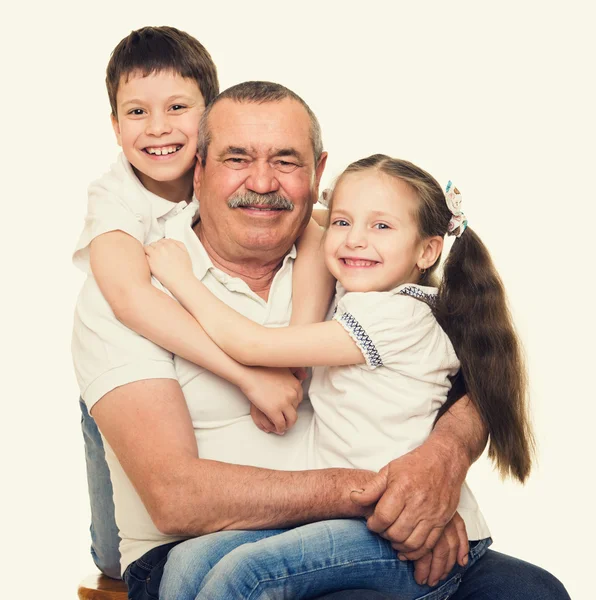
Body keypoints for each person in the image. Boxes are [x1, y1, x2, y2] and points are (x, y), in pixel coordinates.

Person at [74, 75, 570, 600]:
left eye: (286, 162)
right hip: (204, 541)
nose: (262, 183)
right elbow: (176, 498)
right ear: (198, 170)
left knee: (532, 591)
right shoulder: (135, 283)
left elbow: (474, 369)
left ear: (318, 175)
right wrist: (383, 497)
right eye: (236, 159)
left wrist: (439, 465)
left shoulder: (353, 262)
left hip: (371, 528)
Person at [142, 154, 531, 599]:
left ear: (428, 250)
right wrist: (336, 213)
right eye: (344, 222)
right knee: (189, 562)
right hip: (352, 521)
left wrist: (179, 278)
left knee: (246, 575)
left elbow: (252, 346)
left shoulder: (395, 315)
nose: (355, 241)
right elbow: (309, 222)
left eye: (382, 227)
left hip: (407, 532)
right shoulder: (361, 292)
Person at [74, 26, 333, 579]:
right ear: (114, 125)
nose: (159, 128)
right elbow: (127, 297)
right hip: (131, 360)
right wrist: (250, 374)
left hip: (313, 531)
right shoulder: (118, 204)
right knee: (114, 524)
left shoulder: (280, 204)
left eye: (177, 108)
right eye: (136, 113)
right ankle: (110, 557)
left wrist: (294, 355)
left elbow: (314, 230)